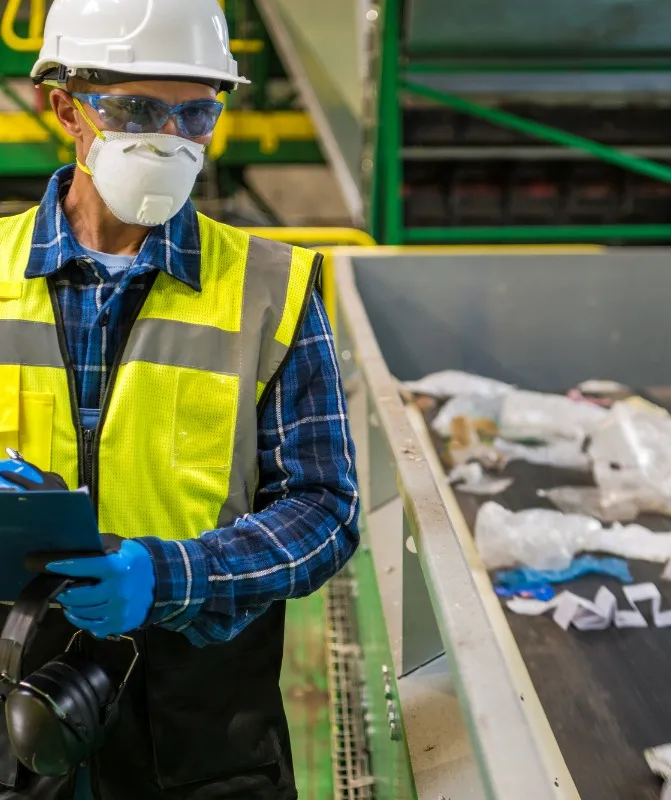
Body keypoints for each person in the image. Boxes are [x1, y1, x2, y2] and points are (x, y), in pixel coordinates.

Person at [0, 0, 360, 798]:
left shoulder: (270, 287)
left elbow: (325, 510)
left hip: (204, 727)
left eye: (196, 111)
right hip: (20, 702)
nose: (169, 137)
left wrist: (172, 576)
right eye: (135, 109)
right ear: (67, 108)